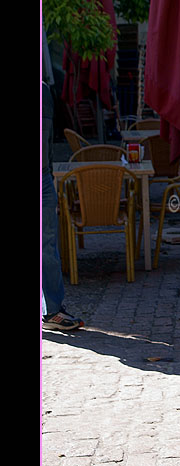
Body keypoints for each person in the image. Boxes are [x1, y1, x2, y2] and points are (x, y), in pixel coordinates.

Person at [42, 80, 84, 331]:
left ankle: (52, 311)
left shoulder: (44, 91)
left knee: (47, 246)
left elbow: (47, 138)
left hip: (43, 178)